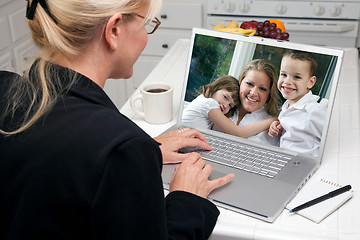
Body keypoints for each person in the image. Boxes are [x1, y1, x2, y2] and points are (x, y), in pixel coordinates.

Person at [0, 0, 234, 239]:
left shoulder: (4, 88)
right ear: (114, 30)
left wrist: (138, 154)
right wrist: (187, 199)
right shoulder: (122, 148)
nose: (146, 37)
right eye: (146, 25)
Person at [268, 50, 327, 156]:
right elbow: (297, 131)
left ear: (310, 82)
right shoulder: (287, 105)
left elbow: (334, 141)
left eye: (297, 77)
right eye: (284, 74)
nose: (287, 81)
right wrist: (279, 128)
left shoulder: (314, 110)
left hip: (304, 164)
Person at [212, 59, 280, 145]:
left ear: (269, 94)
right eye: (249, 84)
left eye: (262, 89)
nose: (253, 93)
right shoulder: (222, 103)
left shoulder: (274, 127)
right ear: (240, 82)